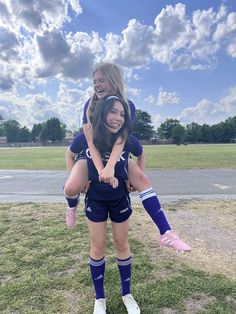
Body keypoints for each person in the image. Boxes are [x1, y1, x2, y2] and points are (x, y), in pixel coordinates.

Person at [64, 62, 191, 252]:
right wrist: (100, 170)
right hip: (93, 153)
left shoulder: (128, 106)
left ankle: (167, 234)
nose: (96, 85)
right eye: (94, 81)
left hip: (117, 152)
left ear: (113, 81)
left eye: (101, 80)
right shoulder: (89, 105)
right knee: (71, 186)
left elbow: (121, 139)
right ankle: (71, 205)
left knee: (142, 179)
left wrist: (115, 169)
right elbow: (90, 140)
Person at [66, 95, 141, 313]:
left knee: (121, 245)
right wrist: (79, 180)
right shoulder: (87, 136)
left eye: (121, 113)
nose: (116, 117)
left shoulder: (125, 139)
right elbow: (69, 155)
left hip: (120, 199)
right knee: (98, 247)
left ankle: (127, 294)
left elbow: (141, 155)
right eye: (112, 112)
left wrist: (133, 178)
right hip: (96, 199)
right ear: (102, 113)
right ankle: (100, 299)